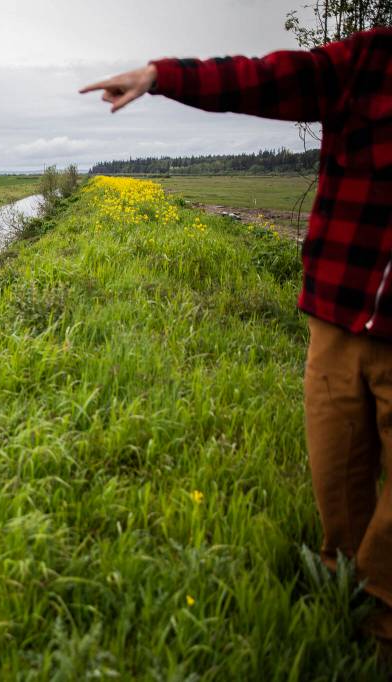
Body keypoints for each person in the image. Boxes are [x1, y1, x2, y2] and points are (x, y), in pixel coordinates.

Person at [80, 27, 392, 652]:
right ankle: (342, 589)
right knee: (338, 470)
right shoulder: (372, 60)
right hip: (341, 309)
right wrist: (162, 75)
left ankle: (381, 621)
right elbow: (268, 76)